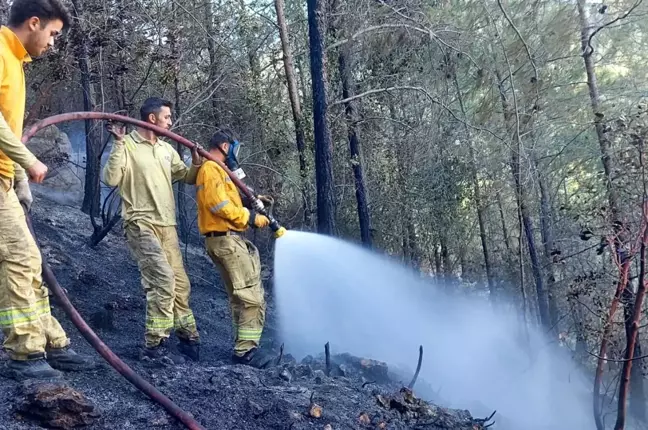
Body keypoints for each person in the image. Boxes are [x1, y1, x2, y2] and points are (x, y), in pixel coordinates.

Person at [0, 0, 95, 380]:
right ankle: (26, 353)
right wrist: (29, 161)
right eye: (53, 33)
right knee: (21, 259)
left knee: (28, 260)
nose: (54, 42)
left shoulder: (15, 62)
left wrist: (18, 179)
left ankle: (49, 342)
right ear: (34, 22)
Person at [103, 97, 202, 361]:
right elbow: (110, 178)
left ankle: (187, 338)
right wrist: (118, 142)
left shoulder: (167, 150)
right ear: (152, 119)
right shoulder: (128, 145)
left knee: (180, 284)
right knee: (163, 280)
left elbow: (188, 177)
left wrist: (196, 159)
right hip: (141, 224)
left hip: (167, 226)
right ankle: (155, 345)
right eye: (167, 117)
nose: (171, 122)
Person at [195, 129, 276, 368]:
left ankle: (242, 347)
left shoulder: (217, 170)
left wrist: (253, 198)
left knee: (239, 297)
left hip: (221, 240)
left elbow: (227, 199)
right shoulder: (211, 169)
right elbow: (219, 206)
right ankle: (246, 353)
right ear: (224, 146)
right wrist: (250, 218)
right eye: (234, 149)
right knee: (251, 297)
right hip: (226, 240)